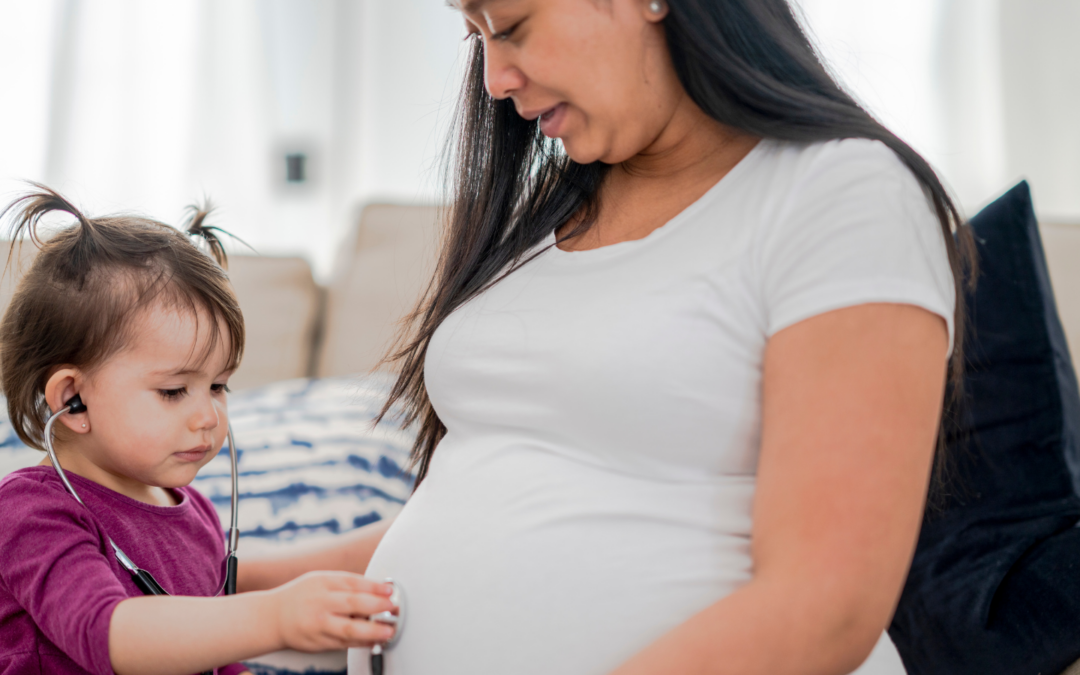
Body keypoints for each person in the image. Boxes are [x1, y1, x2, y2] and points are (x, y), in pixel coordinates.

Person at [245, 1, 977, 673]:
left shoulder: (843, 193)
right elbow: (492, 502)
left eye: (511, 25)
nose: (495, 79)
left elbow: (823, 605)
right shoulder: (548, 212)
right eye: (475, 39)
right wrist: (216, 574)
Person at [0, 187, 397, 675]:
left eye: (218, 386)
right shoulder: (32, 513)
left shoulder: (192, 512)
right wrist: (275, 617)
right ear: (72, 400)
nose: (208, 416)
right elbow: (109, 634)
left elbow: (210, 648)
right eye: (173, 391)